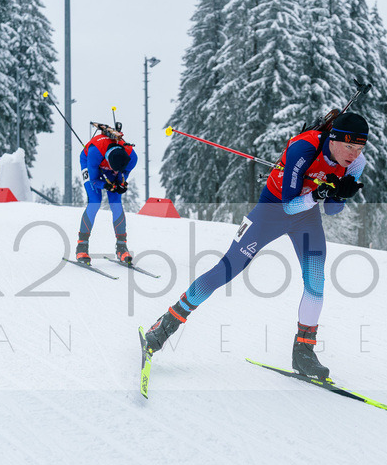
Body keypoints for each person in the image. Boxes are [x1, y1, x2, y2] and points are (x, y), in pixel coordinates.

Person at [142, 111, 368, 379]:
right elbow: (289, 204)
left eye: (360, 148)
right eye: (349, 146)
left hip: (307, 219)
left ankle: (304, 352)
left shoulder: (356, 163)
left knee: (316, 282)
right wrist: (319, 193)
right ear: (333, 139)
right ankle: (164, 325)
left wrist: (340, 193)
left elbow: (331, 211)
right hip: (271, 211)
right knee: (226, 269)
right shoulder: (303, 147)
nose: (354, 154)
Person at [75, 122, 137, 265]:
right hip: (91, 163)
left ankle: (122, 247)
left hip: (112, 161)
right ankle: (82, 246)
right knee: (95, 201)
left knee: (116, 203)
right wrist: (106, 185)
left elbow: (123, 173)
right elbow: (94, 180)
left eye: (117, 171)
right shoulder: (94, 153)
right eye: (114, 170)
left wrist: (120, 183)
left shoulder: (132, 158)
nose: (115, 173)